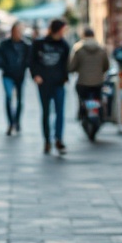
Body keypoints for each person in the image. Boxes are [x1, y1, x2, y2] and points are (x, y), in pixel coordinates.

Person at [30, 18, 71, 154]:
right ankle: (47, 140)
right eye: (63, 29)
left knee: (60, 112)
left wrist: (65, 77)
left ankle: (58, 139)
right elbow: (32, 61)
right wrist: (35, 75)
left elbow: (66, 63)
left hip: (59, 83)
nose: (64, 32)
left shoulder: (64, 45)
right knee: (46, 112)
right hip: (44, 83)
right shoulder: (39, 43)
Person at [69, 26, 110, 120]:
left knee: (82, 97)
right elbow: (106, 66)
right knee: (98, 97)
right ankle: (99, 114)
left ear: (83, 36)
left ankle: (82, 112)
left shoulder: (78, 50)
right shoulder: (101, 49)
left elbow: (72, 67)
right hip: (98, 82)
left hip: (83, 82)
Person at [0, 22, 30, 135]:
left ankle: (17, 121)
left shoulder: (26, 45)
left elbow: (29, 60)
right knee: (9, 97)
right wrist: (4, 66)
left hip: (20, 75)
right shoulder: (4, 45)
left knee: (20, 100)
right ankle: (11, 123)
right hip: (8, 74)